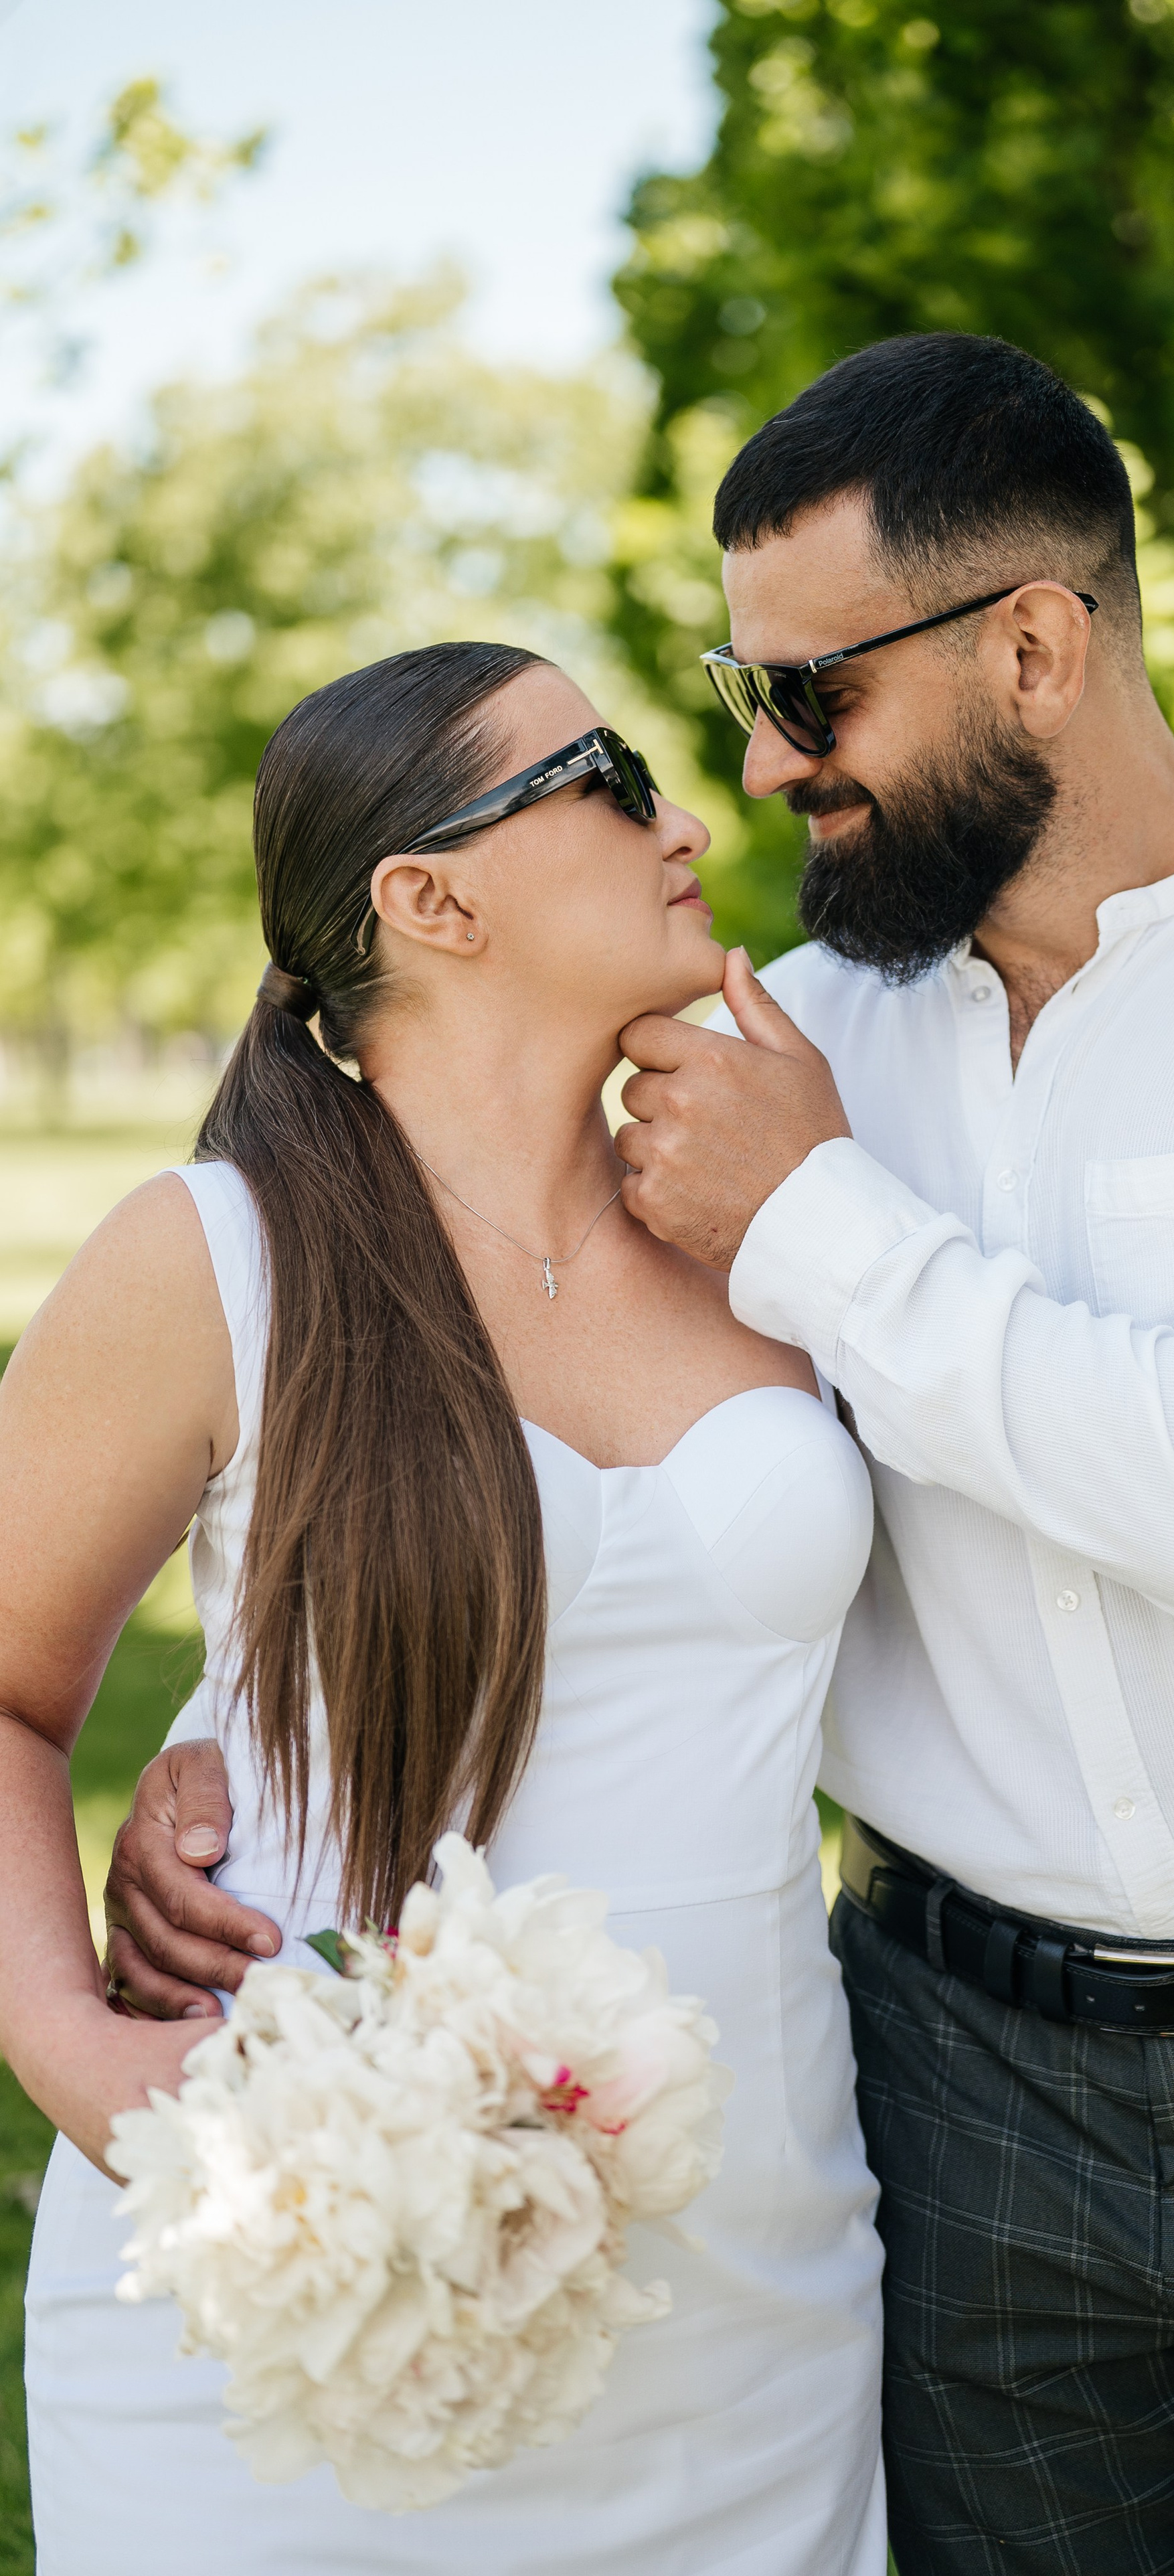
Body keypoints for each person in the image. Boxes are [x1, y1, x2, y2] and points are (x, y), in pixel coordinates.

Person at [112, 333, 1174, 2573]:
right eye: (733, 692)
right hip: (955, 2080)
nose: (757, 768)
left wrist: (826, 1229)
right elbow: (477, 1359)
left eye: (809, 697)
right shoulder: (768, 1035)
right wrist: (232, 1740)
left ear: (1036, 643)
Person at [4, 642, 886, 2575]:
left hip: (743, 2289)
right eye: (607, 771)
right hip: (300, 2252)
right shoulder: (215, 1254)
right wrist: (83, 2052)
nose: (687, 812)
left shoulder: (779, 1220)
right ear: (430, 896)